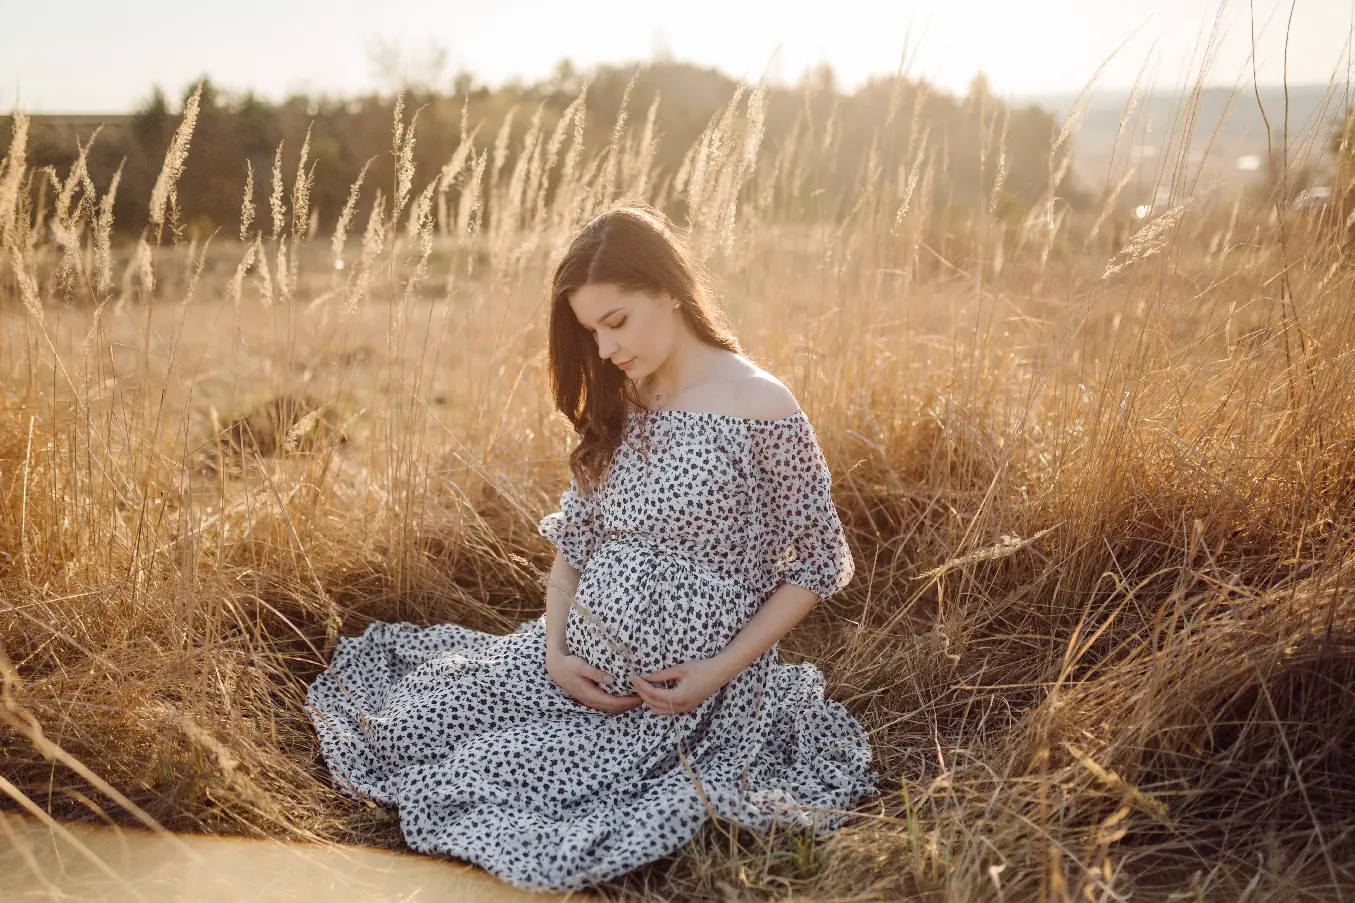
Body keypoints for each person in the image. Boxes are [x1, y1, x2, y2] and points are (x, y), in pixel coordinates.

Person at [305, 203, 877, 891]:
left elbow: (816, 564)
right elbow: (575, 544)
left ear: (668, 288)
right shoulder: (624, 395)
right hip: (575, 663)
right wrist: (554, 652)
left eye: (616, 322)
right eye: (590, 332)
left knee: (500, 782)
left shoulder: (761, 405)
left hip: (690, 699)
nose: (605, 351)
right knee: (414, 725)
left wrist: (716, 671)